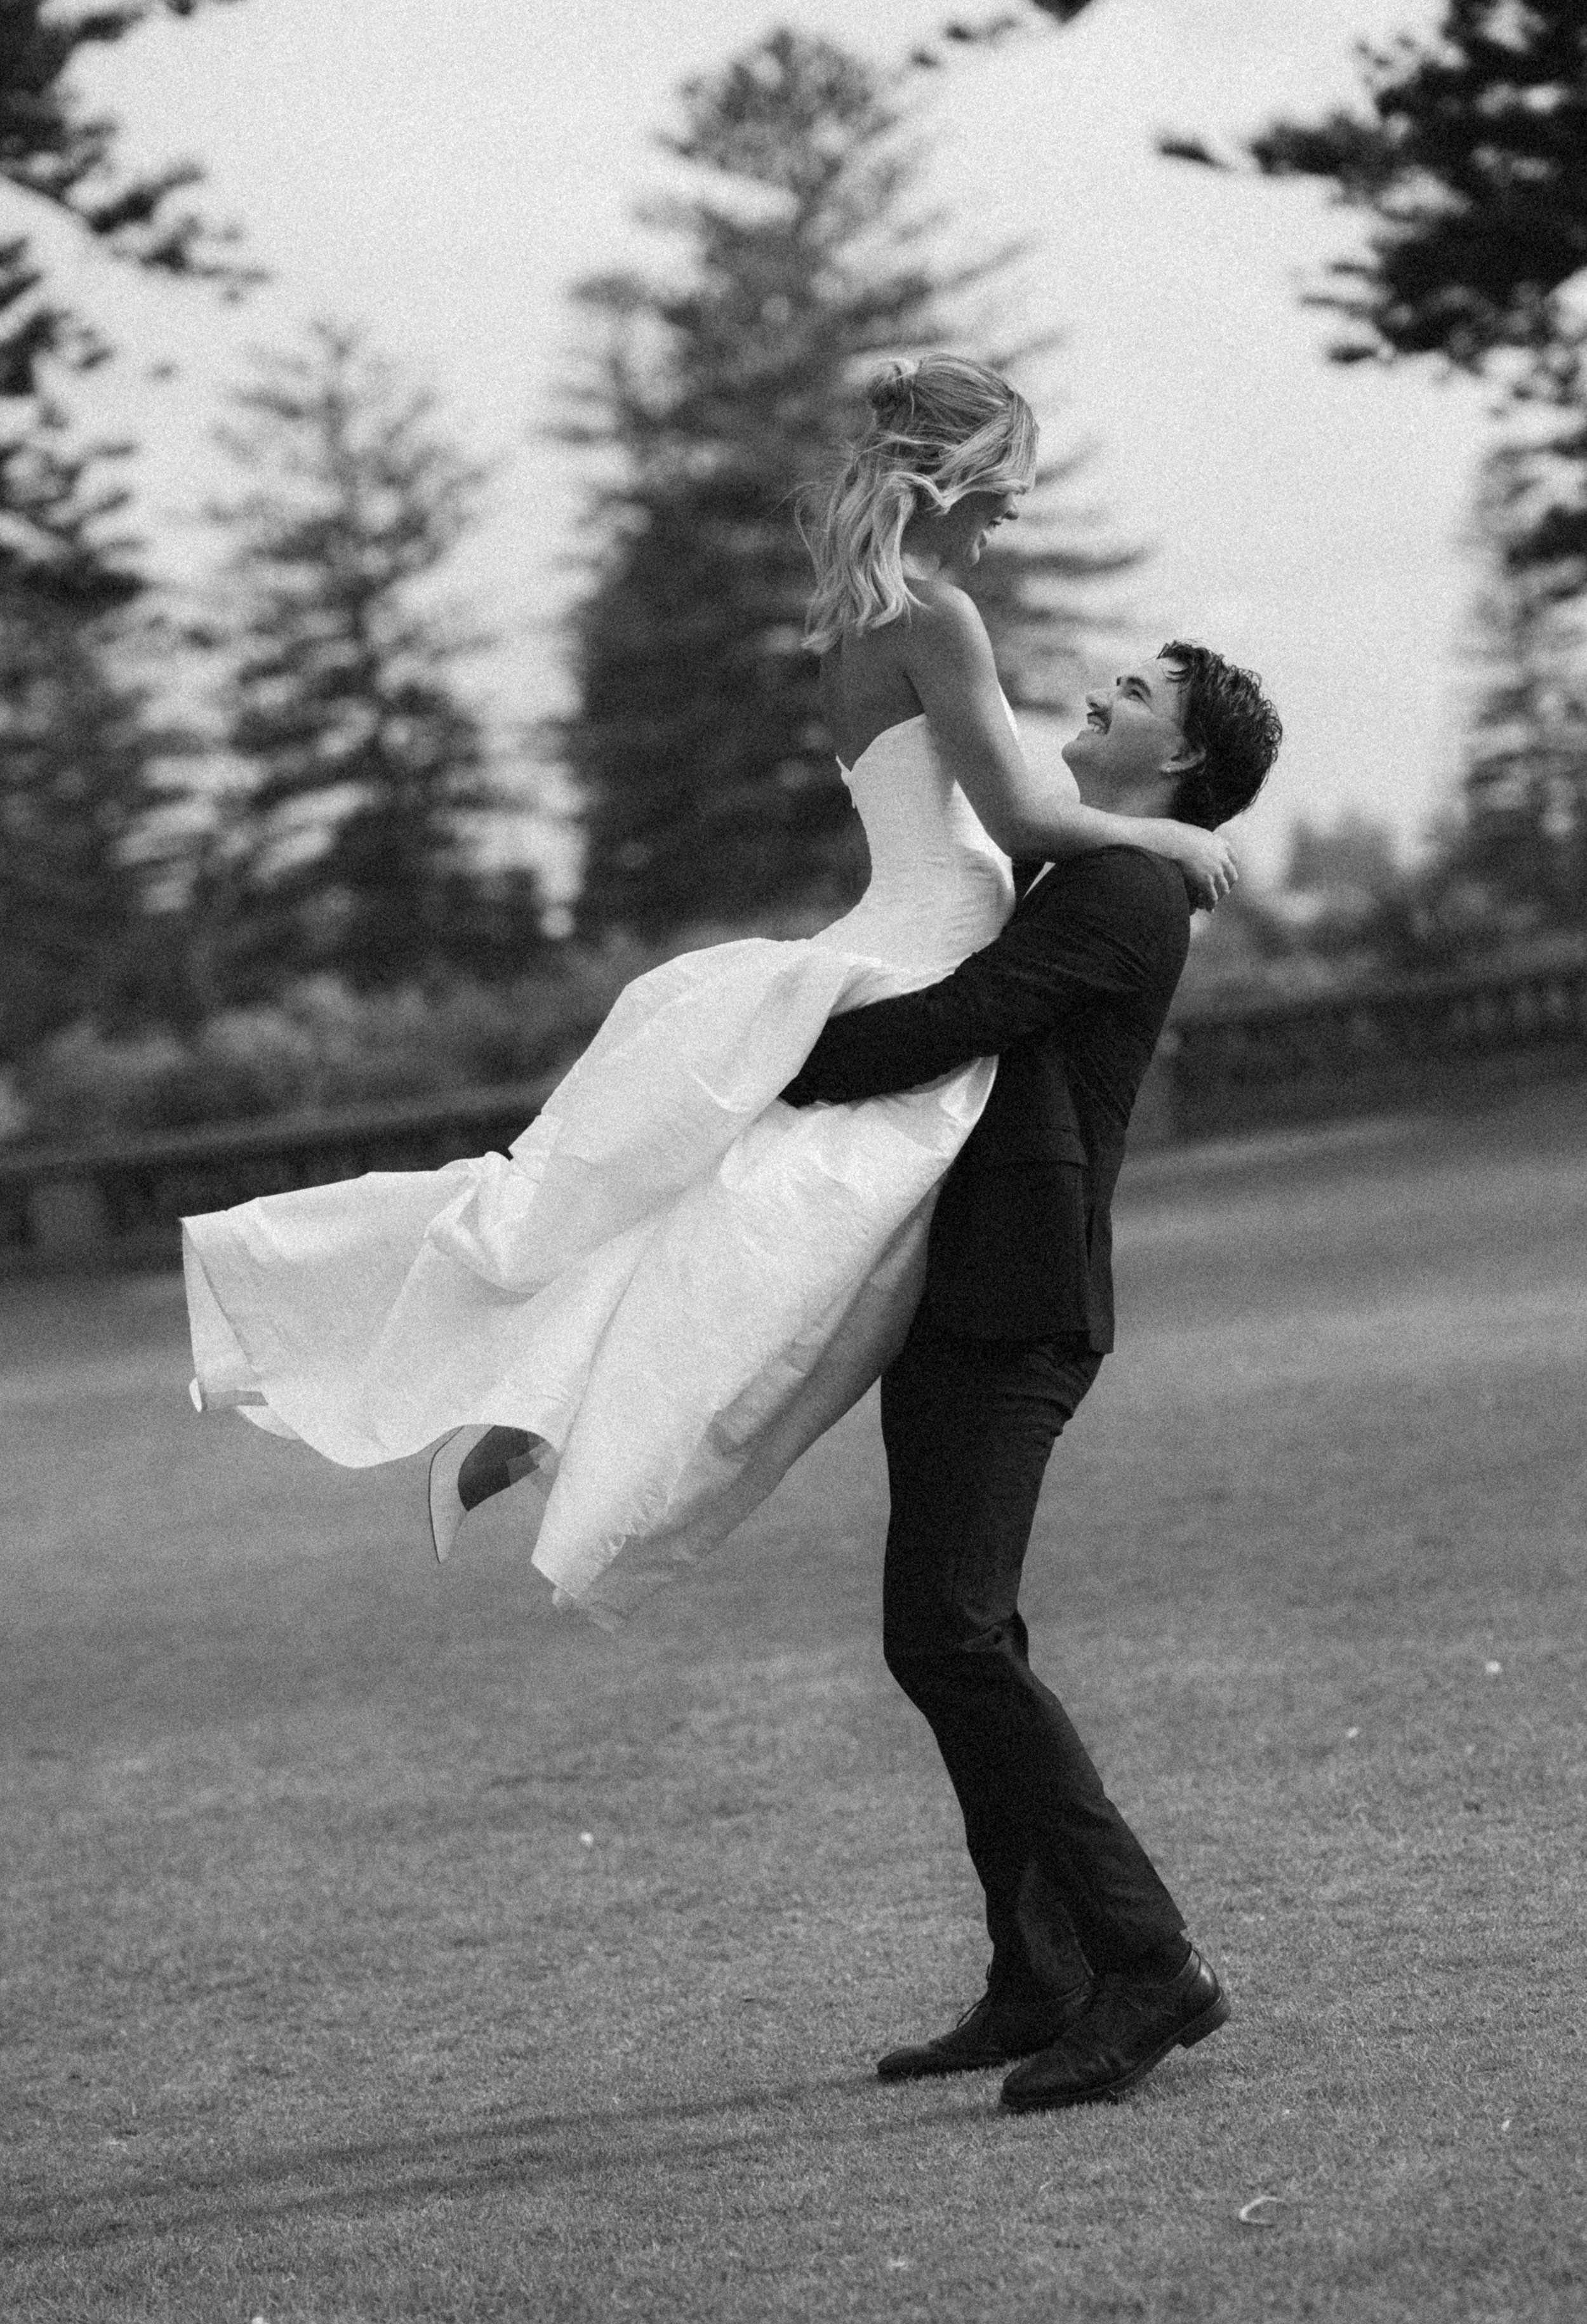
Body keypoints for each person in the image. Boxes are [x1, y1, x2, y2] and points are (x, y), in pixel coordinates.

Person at [182, 355, 1234, 1628]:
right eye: (1004, 481)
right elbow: (1014, 819)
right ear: (943, 475)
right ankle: (529, 1412)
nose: (1013, 507)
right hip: (925, 953)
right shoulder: (933, 618)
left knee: (723, 1221)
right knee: (765, 1253)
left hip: (895, 932)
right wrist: (1169, 839)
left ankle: (525, 1412)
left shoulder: (854, 623)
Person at [780, 635, 1283, 2113]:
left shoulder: (1127, 890)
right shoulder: (1095, 863)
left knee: (948, 1639)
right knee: (954, 1632)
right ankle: (1036, 1973)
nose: (1099, 696)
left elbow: (965, 1021)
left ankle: (1145, 1966)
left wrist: (764, 1051)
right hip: (973, 1290)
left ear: (1179, 762)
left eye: (1134, 697)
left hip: (1023, 1304)